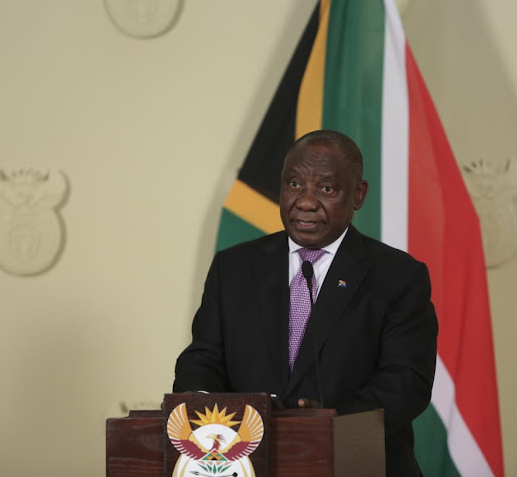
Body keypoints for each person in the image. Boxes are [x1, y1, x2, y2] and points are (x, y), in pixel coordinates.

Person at [173, 129, 438, 476]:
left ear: (358, 195)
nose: (306, 201)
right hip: (249, 464)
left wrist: (332, 423)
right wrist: (202, 405)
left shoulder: (398, 276)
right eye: (294, 184)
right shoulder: (233, 267)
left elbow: (407, 381)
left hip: (358, 466)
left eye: (326, 189)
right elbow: (204, 355)